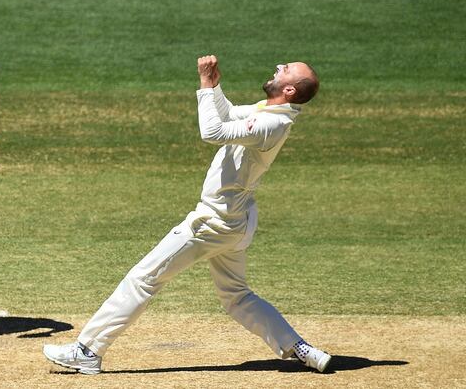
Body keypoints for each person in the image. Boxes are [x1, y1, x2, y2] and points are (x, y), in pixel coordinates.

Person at [43, 56, 330, 374]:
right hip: (236, 220)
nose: (278, 67)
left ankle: (87, 350)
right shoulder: (270, 111)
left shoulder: (273, 123)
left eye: (286, 69)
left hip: (212, 222)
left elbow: (212, 131)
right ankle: (301, 349)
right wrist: (215, 86)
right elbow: (229, 114)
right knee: (237, 296)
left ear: (289, 89)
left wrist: (206, 83)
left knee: (143, 279)